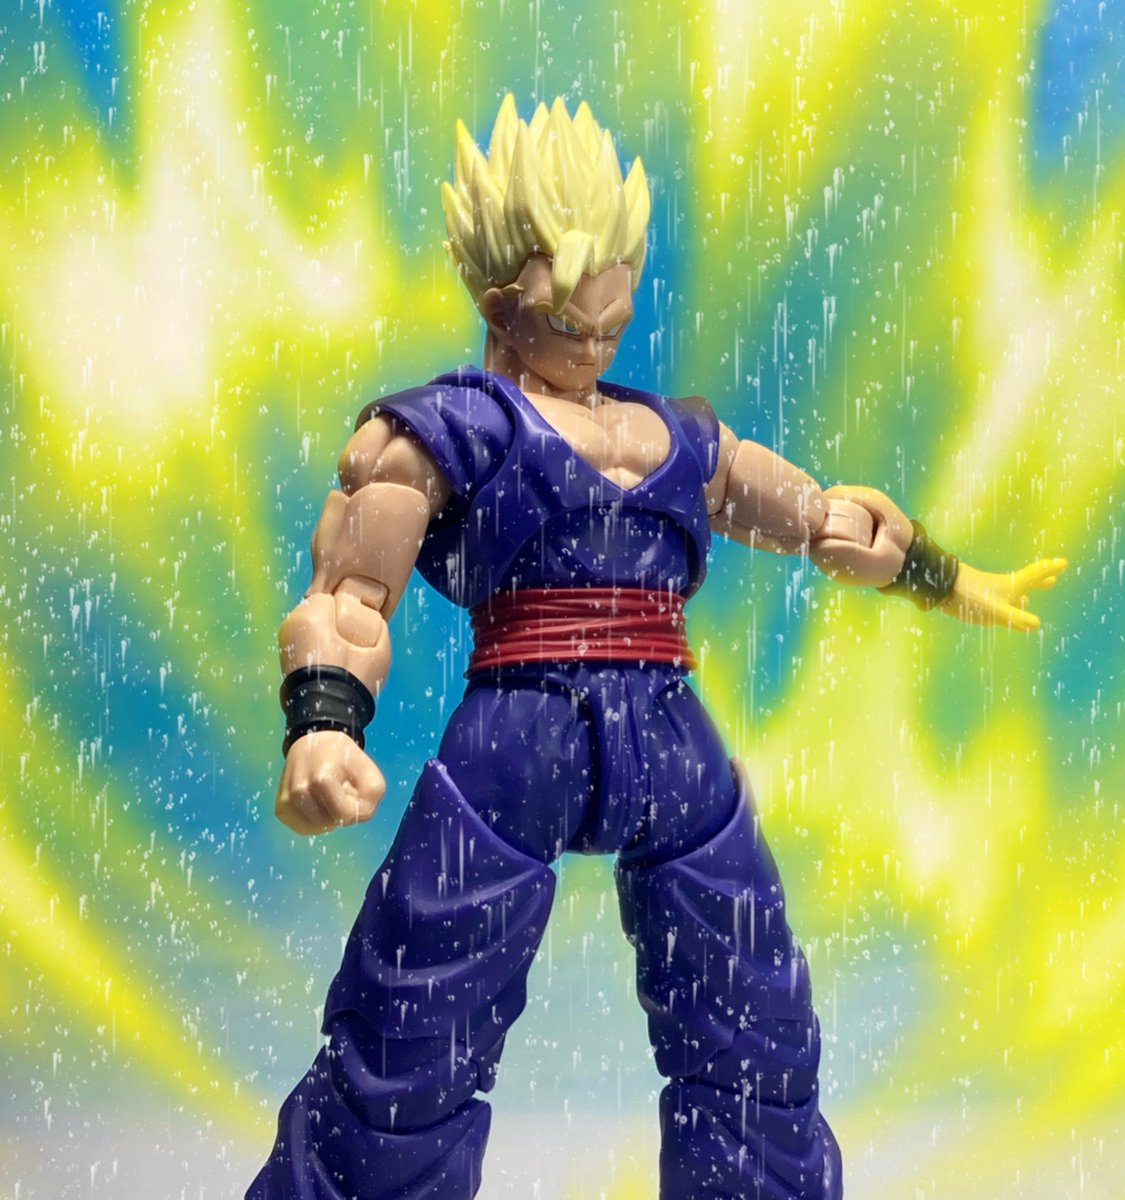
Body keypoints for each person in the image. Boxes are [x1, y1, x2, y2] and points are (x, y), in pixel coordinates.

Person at [247, 95, 1065, 1200]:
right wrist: (323, 724)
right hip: (518, 733)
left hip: (672, 739)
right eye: (570, 326)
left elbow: (827, 521)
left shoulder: (676, 436)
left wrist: (940, 575)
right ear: (500, 305)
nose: (596, 346)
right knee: (410, 1027)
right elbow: (349, 596)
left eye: (614, 321)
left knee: (754, 1030)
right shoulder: (440, 433)